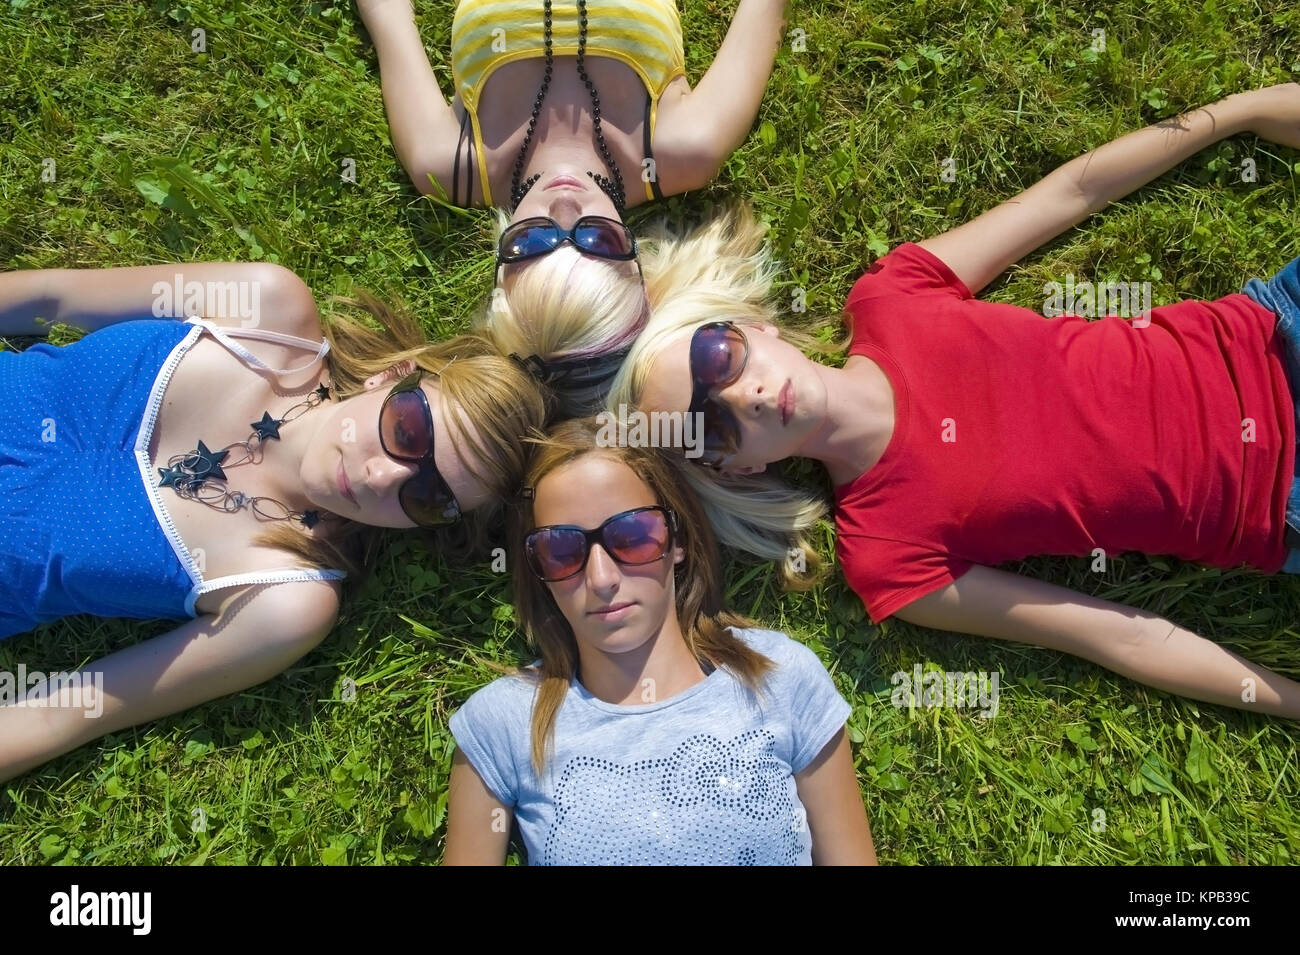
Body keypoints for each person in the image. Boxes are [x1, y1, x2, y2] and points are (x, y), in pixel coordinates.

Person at [608, 82, 1300, 718]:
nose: (742, 397)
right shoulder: (887, 553)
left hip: (1275, 330)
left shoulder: (890, 297)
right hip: (1281, 496)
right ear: (735, 470)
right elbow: (1112, 634)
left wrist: (1241, 113)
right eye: (709, 427)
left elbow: (1069, 195)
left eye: (716, 357)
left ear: (752, 326)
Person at [0, 261, 547, 781]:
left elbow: (69, 710)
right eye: (408, 431)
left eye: (428, 497)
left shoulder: (287, 598)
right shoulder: (267, 311)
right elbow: (53, 296)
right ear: (394, 375)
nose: (382, 478)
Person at [443, 417, 876, 864]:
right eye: (561, 550)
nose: (601, 578)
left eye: (631, 536)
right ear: (538, 571)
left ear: (678, 539)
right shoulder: (504, 724)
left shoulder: (779, 678)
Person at [357, 0, 790, 411]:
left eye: (533, 242)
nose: (565, 207)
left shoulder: (447, 165)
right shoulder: (686, 150)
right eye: (598, 241)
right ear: (638, 263)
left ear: (500, 270)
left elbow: (385, 11)